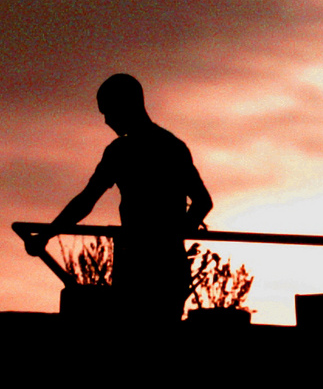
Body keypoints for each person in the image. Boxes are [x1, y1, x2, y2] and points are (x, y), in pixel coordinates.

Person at [26, 73, 212, 325]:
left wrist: (170, 235)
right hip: (153, 264)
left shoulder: (125, 152)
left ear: (127, 106)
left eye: (108, 112)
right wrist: (176, 234)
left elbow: (86, 201)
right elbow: (202, 202)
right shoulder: (169, 146)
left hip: (145, 266)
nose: (106, 121)